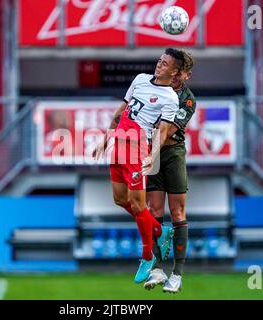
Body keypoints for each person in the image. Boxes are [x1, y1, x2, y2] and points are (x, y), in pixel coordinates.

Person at [93, 48, 184, 284]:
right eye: (159, 61)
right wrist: (104, 139)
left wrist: (152, 156)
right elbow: (121, 111)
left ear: (174, 71)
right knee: (120, 200)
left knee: (137, 204)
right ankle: (158, 229)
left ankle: (147, 256)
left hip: (136, 147)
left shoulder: (170, 97)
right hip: (118, 143)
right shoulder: (140, 79)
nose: (159, 65)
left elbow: (162, 132)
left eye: (165, 64)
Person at [143, 49, 196, 293]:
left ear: (186, 75)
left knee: (177, 212)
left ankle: (178, 273)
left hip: (172, 154)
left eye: (179, 73)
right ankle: (157, 269)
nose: (174, 77)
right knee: (153, 210)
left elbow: (166, 132)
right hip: (150, 152)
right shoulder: (153, 87)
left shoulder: (187, 99)